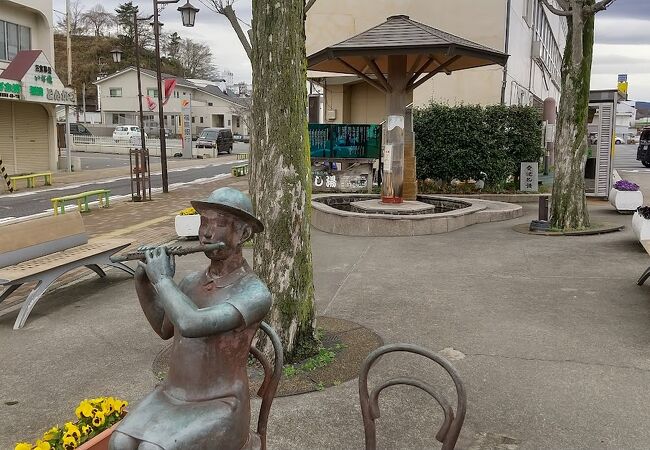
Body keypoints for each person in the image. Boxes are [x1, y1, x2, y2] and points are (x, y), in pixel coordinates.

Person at [109, 187, 271, 450]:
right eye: (203, 222)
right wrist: (144, 281)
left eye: (218, 224)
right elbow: (165, 328)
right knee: (120, 443)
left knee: (153, 449)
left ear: (243, 234)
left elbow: (192, 323)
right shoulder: (191, 282)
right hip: (173, 393)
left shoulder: (254, 292)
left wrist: (162, 280)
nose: (206, 233)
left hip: (221, 402)